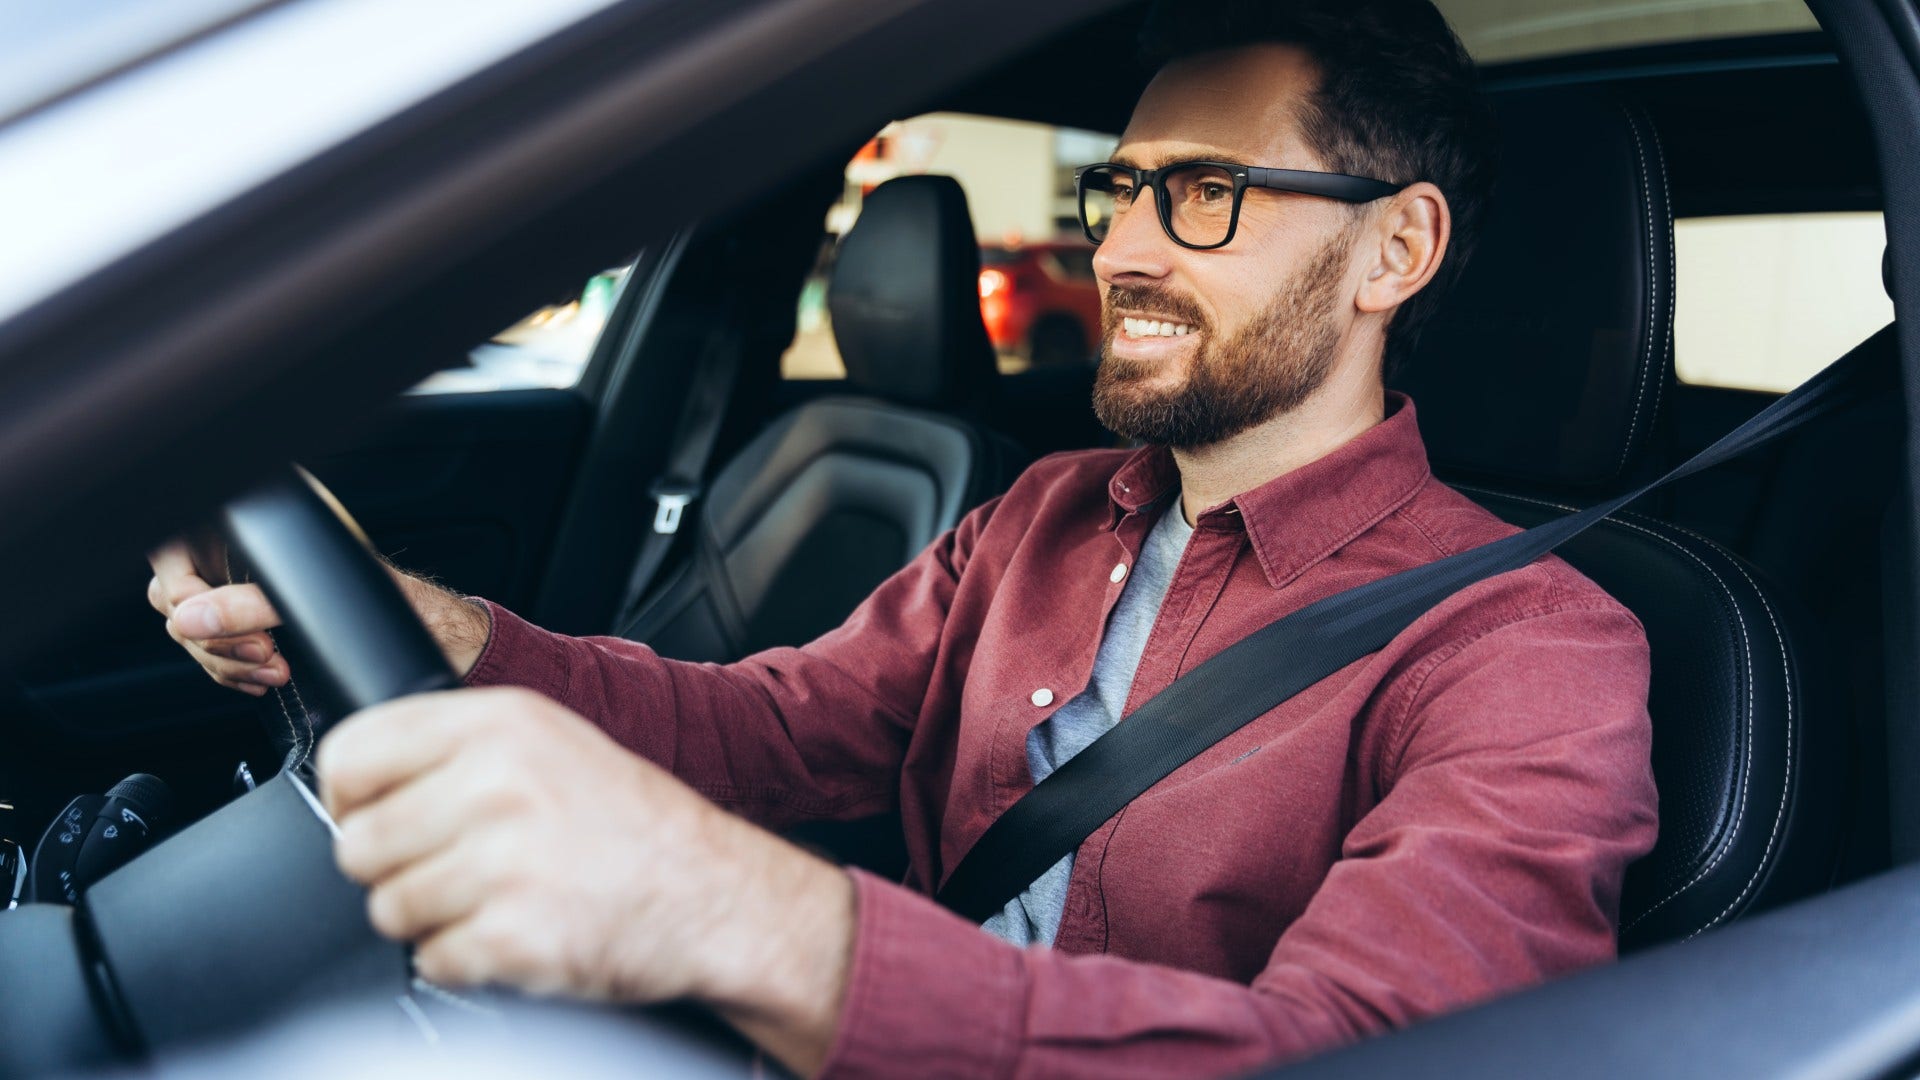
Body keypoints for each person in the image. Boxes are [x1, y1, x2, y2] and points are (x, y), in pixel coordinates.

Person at [147, 1, 1658, 1075]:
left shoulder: (1530, 651)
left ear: (1395, 248)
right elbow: (761, 732)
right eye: (1120, 186)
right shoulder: (1045, 514)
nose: (1120, 246)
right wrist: (421, 623)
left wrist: (763, 927)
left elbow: (1367, 1058)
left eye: (1204, 194)